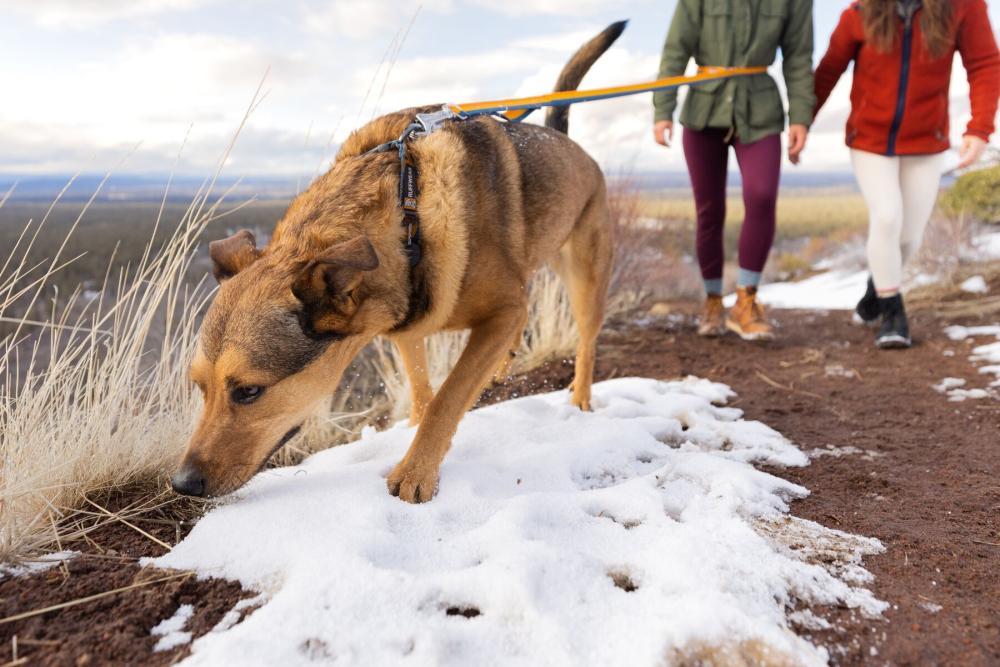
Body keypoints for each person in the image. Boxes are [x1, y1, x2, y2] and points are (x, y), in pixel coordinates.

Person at [815, 0, 1000, 349]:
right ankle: (892, 313)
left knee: (909, 236)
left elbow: (985, 64)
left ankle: (875, 289)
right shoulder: (860, 12)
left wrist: (979, 129)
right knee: (887, 218)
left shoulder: (963, 7)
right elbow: (828, 71)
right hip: (868, 139)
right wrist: (801, 122)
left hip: (927, 141)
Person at [653, 0, 815, 341]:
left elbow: (799, 57)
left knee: (762, 195)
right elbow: (675, 49)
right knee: (709, 210)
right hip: (703, 109)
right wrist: (662, 109)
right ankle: (713, 301)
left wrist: (800, 116)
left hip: (761, 109)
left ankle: (746, 301)